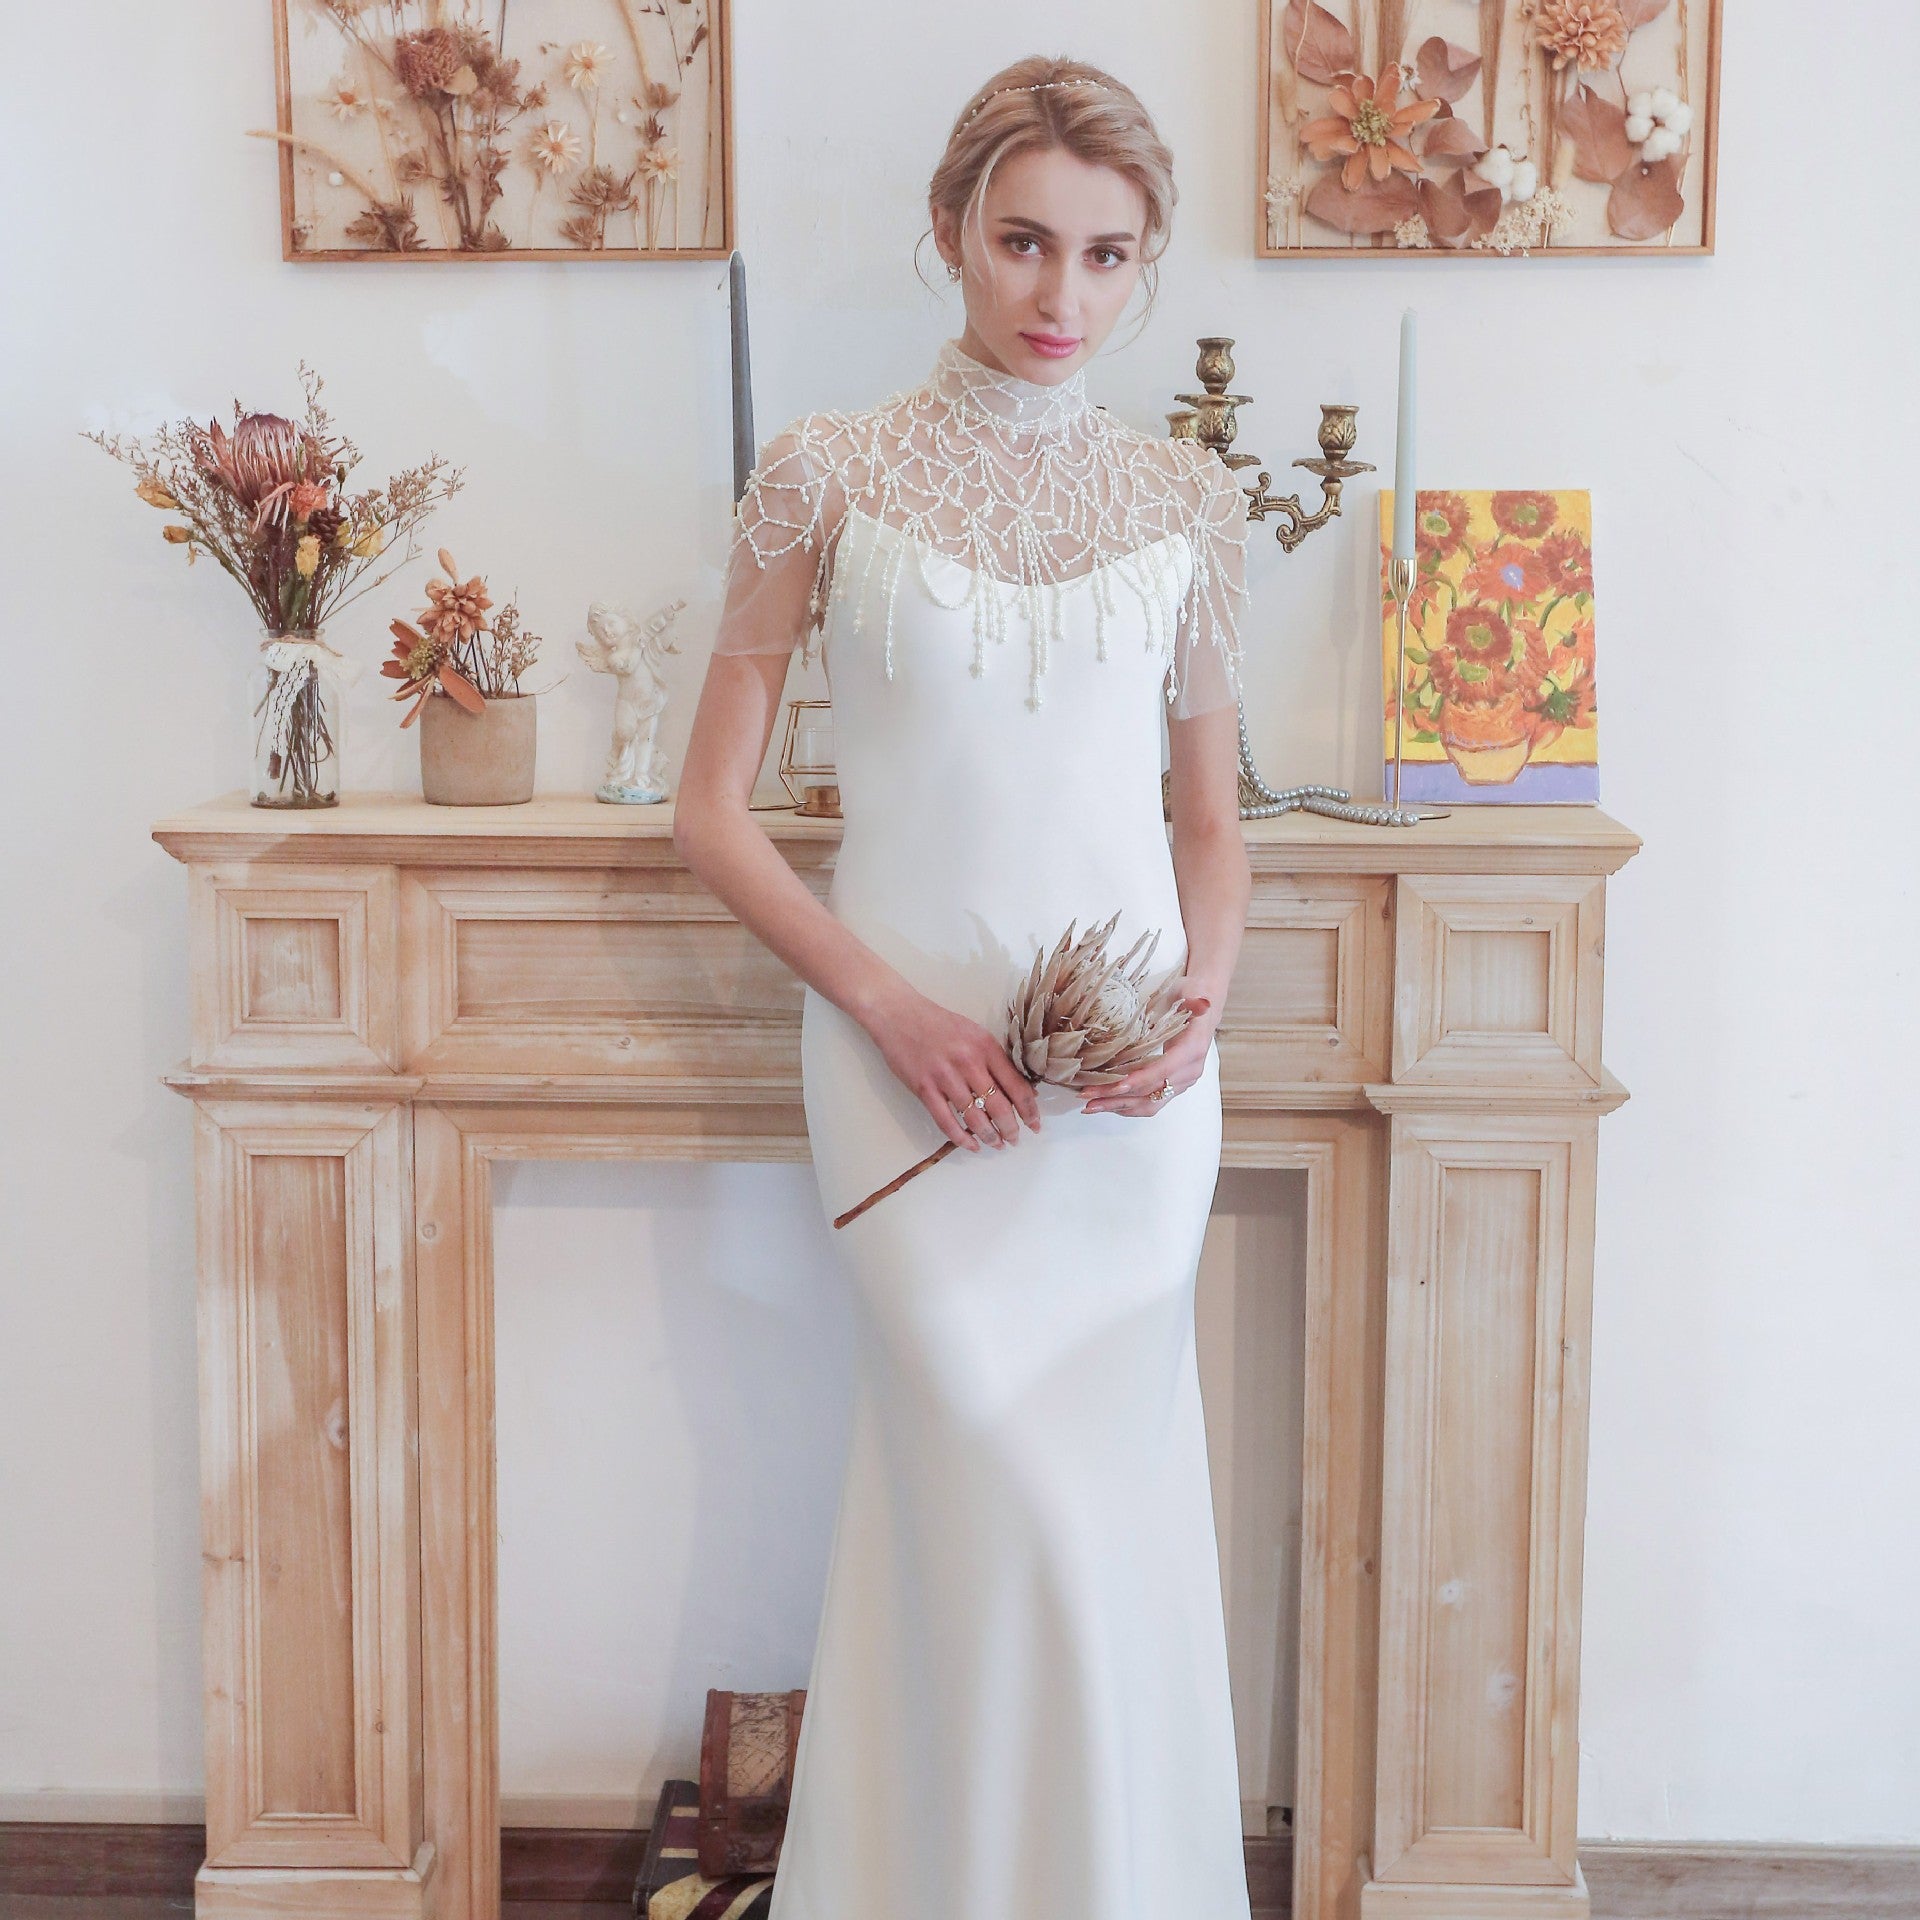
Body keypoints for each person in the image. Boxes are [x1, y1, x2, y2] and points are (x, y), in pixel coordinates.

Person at [673, 51, 1256, 1920]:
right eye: (1022, 242)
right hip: (900, 1080)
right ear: (950, 230)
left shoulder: (1190, 500)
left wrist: (1198, 1004)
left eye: (1107, 254)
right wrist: (892, 1010)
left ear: (1144, 263)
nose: (1059, 294)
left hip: (1126, 1114)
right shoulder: (819, 475)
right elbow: (712, 814)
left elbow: (1210, 827)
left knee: (1098, 1521)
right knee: (978, 1486)